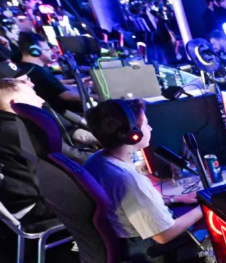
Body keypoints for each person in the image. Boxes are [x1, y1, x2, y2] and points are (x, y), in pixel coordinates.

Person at [84, 99, 202, 251]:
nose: (150, 128)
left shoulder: (97, 160)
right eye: (146, 124)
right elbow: (164, 235)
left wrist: (175, 199)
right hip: (142, 247)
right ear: (133, 135)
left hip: (120, 238)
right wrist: (203, 208)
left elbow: (132, 204)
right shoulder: (129, 180)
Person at [0, 78, 59, 225]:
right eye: (33, 96)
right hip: (34, 207)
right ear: (17, 102)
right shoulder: (21, 132)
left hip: (13, 202)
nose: (41, 100)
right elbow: (63, 166)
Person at [9, 32, 83, 112]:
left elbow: (55, 86)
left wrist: (79, 84)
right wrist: (92, 96)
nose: (51, 52)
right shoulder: (36, 72)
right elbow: (67, 96)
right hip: (64, 112)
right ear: (35, 51)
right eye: (47, 50)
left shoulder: (27, 67)